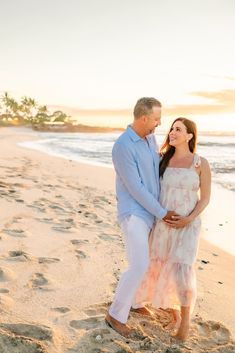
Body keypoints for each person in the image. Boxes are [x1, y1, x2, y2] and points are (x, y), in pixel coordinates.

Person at [105, 97, 177, 337]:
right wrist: (162, 212)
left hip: (150, 212)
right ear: (144, 118)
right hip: (134, 213)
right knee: (139, 264)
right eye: (156, 119)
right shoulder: (123, 146)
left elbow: (155, 169)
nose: (159, 123)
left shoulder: (150, 139)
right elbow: (135, 187)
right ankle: (115, 314)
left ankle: (135, 303)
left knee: (144, 261)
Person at [135, 117, 211, 341]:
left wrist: (188, 219)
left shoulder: (200, 163)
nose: (172, 132)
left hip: (188, 226)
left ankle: (185, 322)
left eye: (179, 129)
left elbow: (205, 198)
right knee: (161, 263)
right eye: (172, 129)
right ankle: (173, 310)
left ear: (190, 136)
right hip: (163, 224)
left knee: (182, 271)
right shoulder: (161, 160)